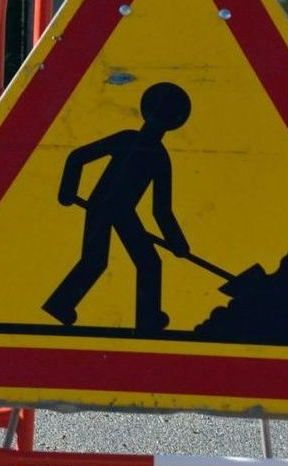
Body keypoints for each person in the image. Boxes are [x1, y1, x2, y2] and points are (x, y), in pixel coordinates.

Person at [42, 81, 192, 332]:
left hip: (115, 209)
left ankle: (144, 319)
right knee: (112, 262)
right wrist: (67, 191)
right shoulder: (149, 150)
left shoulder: (145, 148)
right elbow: (78, 157)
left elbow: (161, 210)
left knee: (118, 262)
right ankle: (145, 319)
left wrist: (177, 242)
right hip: (105, 207)